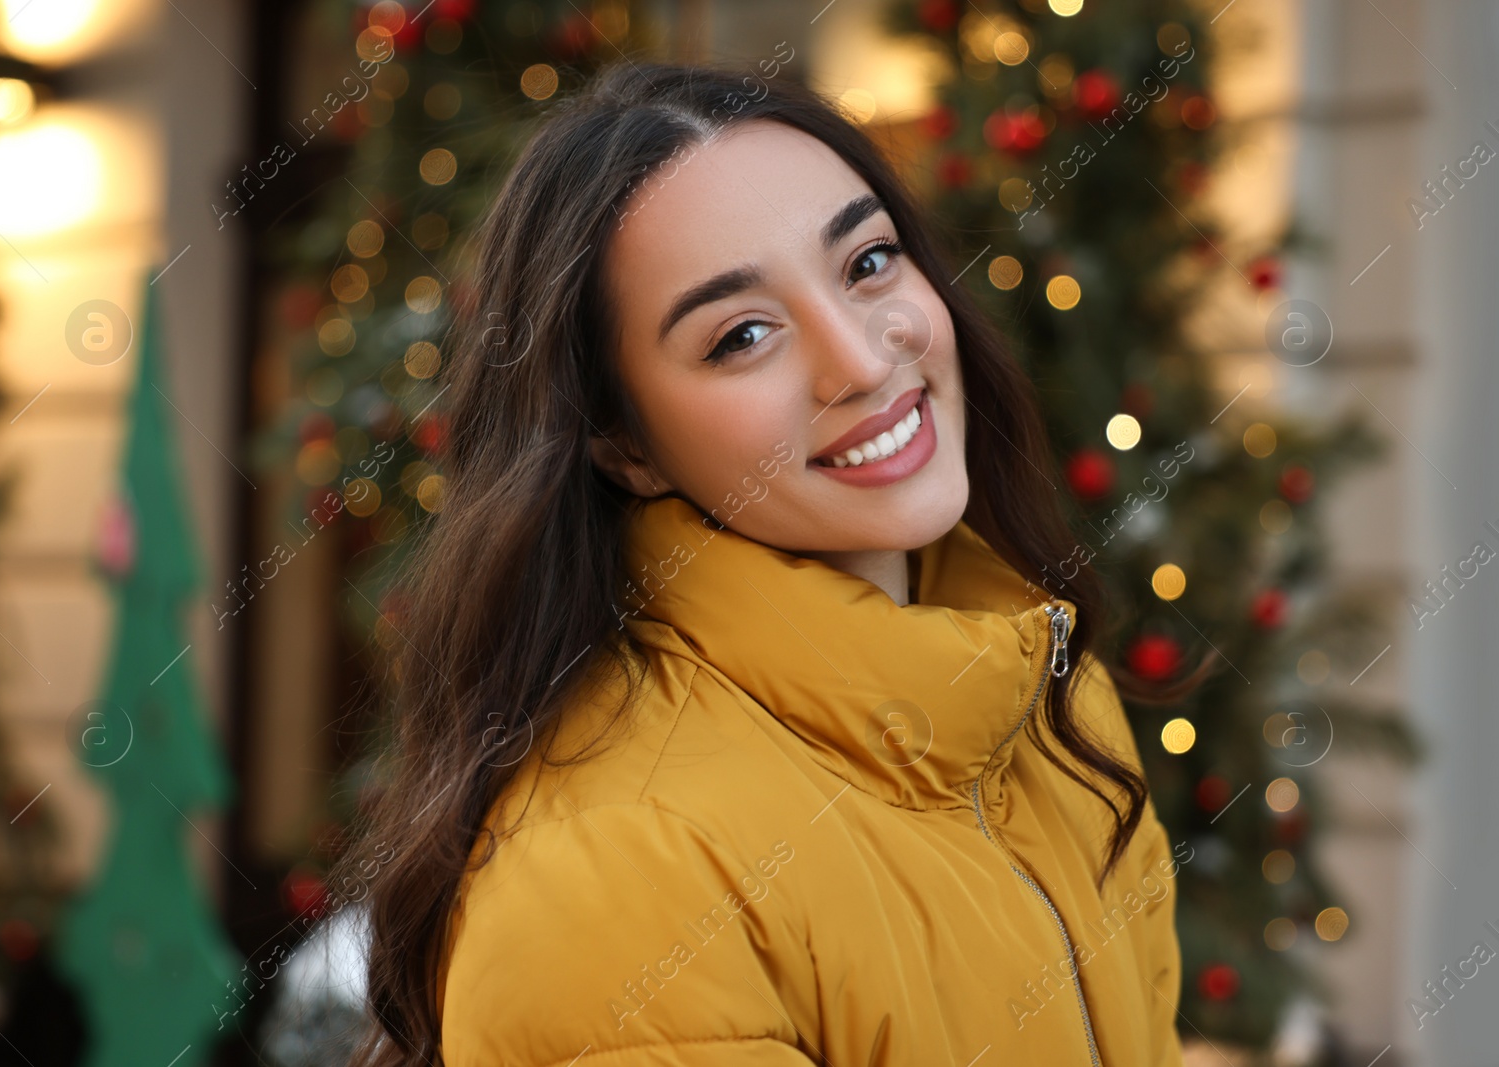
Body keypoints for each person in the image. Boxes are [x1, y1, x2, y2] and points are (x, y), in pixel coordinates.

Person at [342, 60, 1206, 1067]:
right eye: (742, 334)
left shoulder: (1055, 703)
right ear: (623, 442)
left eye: (867, 262)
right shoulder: (617, 871)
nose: (861, 359)